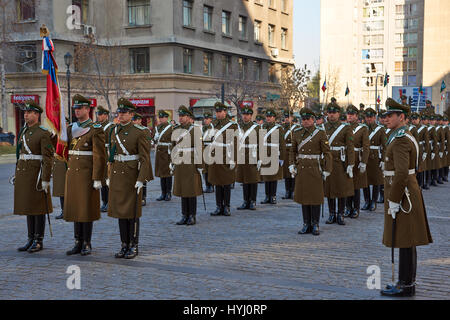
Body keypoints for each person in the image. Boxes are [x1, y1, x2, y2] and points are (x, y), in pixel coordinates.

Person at [380, 98, 433, 297]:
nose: (386, 119)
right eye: (385, 116)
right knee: (406, 239)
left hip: (403, 195)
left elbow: (402, 172)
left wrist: (393, 199)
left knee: (404, 239)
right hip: (405, 191)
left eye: (390, 115)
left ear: (401, 117)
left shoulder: (401, 139)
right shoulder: (400, 135)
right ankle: (407, 282)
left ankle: (405, 284)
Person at [107, 99, 151, 259]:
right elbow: (111, 155)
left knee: (132, 212)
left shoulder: (140, 132)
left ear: (132, 115)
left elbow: (145, 158)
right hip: (118, 174)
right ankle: (124, 244)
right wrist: (108, 175)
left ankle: (133, 245)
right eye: (119, 112)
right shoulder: (114, 130)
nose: (121, 115)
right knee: (120, 211)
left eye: (124, 113)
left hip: (132, 175)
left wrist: (141, 179)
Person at [65, 94, 106, 256]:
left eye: (80, 108)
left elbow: (99, 156)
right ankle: (77, 241)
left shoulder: (96, 129)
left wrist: (97, 177)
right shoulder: (70, 129)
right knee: (76, 208)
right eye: (75, 108)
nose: (77, 111)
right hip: (73, 175)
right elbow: (65, 151)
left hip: (87, 175)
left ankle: (87, 243)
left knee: (86, 209)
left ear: (88, 109)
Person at [14, 100, 54, 253]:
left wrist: (45, 178)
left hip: (36, 175)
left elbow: (48, 157)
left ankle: (38, 240)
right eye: (25, 112)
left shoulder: (43, 133)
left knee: (38, 208)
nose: (25, 115)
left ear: (37, 115)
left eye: (29, 112)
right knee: (28, 207)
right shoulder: (24, 131)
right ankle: (30, 237)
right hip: (25, 174)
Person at [289, 108, 332, 235]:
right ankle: (306, 223)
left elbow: (327, 152)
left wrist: (327, 169)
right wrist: (291, 165)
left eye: (308, 119)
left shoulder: (320, 133)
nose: (306, 121)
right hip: (302, 168)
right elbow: (292, 151)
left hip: (315, 167)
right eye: (303, 119)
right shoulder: (296, 132)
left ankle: (315, 224)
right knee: (304, 197)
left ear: (313, 120)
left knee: (315, 197)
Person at [323, 101, 355, 226]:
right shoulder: (323, 128)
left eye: (334, 113)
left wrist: (351, 164)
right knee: (330, 189)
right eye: (329, 112)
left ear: (338, 114)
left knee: (342, 189)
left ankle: (340, 214)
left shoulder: (346, 128)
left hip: (341, 162)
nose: (331, 115)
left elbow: (350, 147)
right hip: (328, 161)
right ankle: (332, 213)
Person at [172, 106, 204, 225]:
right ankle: (184, 214)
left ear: (188, 117)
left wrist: (200, 165)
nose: (180, 118)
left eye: (182, 116)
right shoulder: (176, 129)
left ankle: (192, 215)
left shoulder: (195, 130)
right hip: (180, 163)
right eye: (179, 116)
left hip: (191, 162)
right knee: (182, 190)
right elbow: (173, 146)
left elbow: (200, 148)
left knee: (191, 190)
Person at [208, 102, 238, 216]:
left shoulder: (232, 125)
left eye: (220, 112)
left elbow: (235, 143)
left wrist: (234, 159)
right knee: (217, 182)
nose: (218, 114)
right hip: (216, 155)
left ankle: (227, 206)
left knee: (226, 182)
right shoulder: (213, 124)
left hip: (226, 155)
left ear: (225, 112)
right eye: (217, 112)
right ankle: (218, 206)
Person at [345, 105, 369, 219]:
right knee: (346, 184)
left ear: (356, 116)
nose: (350, 116)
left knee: (355, 185)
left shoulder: (362, 129)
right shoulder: (343, 127)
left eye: (352, 115)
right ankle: (347, 207)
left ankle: (356, 208)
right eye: (348, 114)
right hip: (345, 158)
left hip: (356, 158)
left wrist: (363, 162)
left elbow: (366, 146)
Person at [236, 106, 261, 210]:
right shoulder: (239, 127)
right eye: (244, 114)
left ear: (251, 116)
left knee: (253, 179)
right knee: (245, 179)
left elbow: (261, 144)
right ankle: (245, 201)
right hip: (242, 155)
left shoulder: (256, 128)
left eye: (247, 115)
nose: (245, 116)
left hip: (253, 155)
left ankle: (253, 201)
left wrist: (260, 158)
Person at [362, 108, 386, 211]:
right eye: (367, 117)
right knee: (364, 180)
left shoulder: (380, 129)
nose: (369, 119)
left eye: (371, 117)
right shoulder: (361, 129)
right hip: (363, 156)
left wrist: (384, 160)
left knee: (376, 180)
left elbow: (385, 146)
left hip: (375, 157)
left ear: (374, 117)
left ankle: (374, 201)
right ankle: (367, 200)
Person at [260, 108, 285, 205]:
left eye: (270, 117)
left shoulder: (278, 128)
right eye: (267, 117)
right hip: (266, 153)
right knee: (266, 176)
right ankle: (267, 196)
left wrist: (282, 157)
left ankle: (273, 196)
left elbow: (282, 144)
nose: (268, 118)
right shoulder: (263, 127)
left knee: (273, 176)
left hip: (275, 153)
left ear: (274, 118)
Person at [132, 113, 155, 206]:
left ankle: (143, 197)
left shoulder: (145, 130)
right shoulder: (131, 130)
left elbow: (148, 145)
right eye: (133, 120)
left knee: (143, 177)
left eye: (135, 120)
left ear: (140, 120)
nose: (134, 122)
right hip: (133, 158)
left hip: (142, 157)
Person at [96, 106, 114, 212]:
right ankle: (104, 202)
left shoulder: (111, 126)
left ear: (106, 115)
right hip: (99, 155)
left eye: (100, 114)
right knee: (102, 180)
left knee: (108, 180)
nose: (98, 116)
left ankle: (109, 202)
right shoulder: (97, 126)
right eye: (98, 114)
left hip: (106, 154)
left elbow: (112, 143)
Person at [153, 110, 174, 201]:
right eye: (159, 117)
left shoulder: (171, 128)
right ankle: (163, 193)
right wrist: (155, 138)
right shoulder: (158, 128)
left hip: (167, 152)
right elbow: (154, 140)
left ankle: (168, 193)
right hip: (159, 152)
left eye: (162, 117)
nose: (160, 119)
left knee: (168, 173)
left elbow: (174, 141)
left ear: (167, 118)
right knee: (161, 173)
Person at [52, 117, 70, 219]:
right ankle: (64, 210)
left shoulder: (70, 134)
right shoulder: (57, 135)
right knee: (60, 189)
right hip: (59, 164)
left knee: (69, 189)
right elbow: (52, 146)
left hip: (67, 163)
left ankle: (69, 210)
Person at [281, 109, 299, 200]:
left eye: (288, 117)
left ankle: (293, 191)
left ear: (292, 117)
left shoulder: (295, 128)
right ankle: (287, 191)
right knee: (286, 173)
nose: (286, 119)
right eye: (285, 117)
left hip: (292, 151)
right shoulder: (283, 128)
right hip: (285, 152)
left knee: (292, 172)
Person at [202, 112, 215, 193]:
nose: (205, 120)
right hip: (204, 149)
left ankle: (211, 186)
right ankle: (207, 185)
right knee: (205, 169)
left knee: (210, 169)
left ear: (210, 119)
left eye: (207, 119)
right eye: (205, 119)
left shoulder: (213, 128)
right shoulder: (203, 128)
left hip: (210, 149)